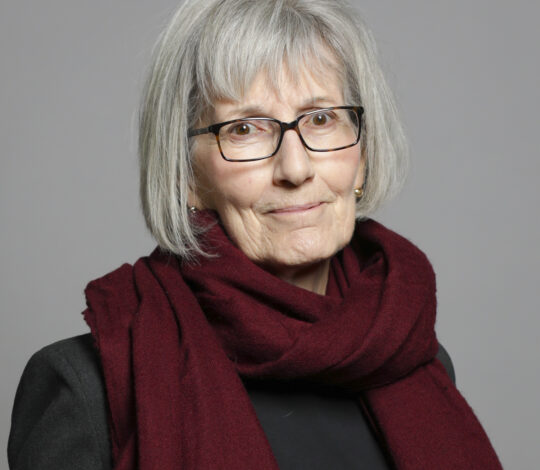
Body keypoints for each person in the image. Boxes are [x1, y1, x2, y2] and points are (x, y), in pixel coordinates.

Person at [8, 0, 502, 469]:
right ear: (187, 176)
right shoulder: (87, 389)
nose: (295, 167)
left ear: (362, 157)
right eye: (245, 129)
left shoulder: (412, 356)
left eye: (323, 118)